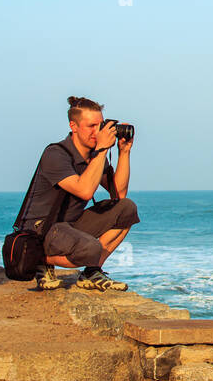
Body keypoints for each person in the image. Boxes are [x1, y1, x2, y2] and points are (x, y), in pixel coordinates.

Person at [14, 96, 139, 291]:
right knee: (91, 248)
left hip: (70, 226)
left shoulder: (94, 155)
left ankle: (91, 272)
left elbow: (119, 193)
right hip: (42, 231)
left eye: (100, 125)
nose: (96, 132)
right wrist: (102, 149)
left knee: (127, 209)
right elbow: (84, 190)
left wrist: (124, 152)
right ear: (74, 126)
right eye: (91, 126)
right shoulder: (56, 154)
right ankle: (40, 259)